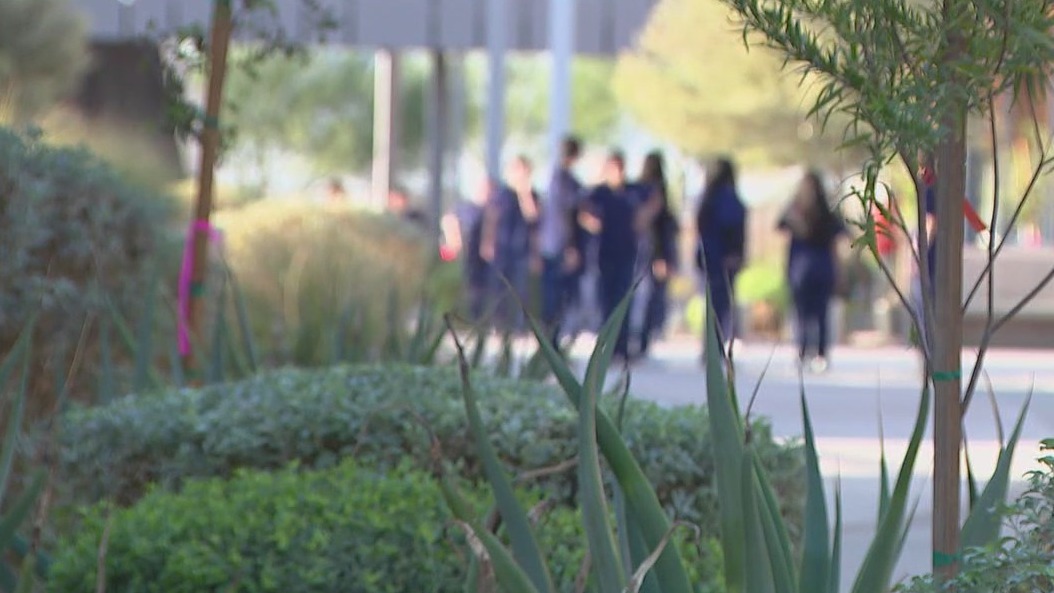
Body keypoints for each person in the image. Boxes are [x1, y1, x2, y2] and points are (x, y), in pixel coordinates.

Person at [580, 150, 651, 362]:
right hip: (606, 252)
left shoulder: (632, 191)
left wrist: (642, 221)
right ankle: (607, 346)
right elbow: (583, 211)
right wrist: (593, 224)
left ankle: (622, 346)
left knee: (624, 298)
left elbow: (654, 199)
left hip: (627, 251)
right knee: (606, 300)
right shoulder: (600, 193)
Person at [777, 170, 846, 373]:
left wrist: (838, 271)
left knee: (821, 313)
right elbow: (780, 226)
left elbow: (834, 242)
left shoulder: (825, 214)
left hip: (819, 268)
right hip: (799, 269)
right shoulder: (794, 210)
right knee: (801, 313)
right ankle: (803, 350)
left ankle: (821, 353)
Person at [695, 157, 747, 355]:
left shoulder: (707, 199)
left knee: (712, 303)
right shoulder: (729, 199)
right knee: (721, 304)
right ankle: (714, 347)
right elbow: (736, 228)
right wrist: (736, 253)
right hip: (724, 259)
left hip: (709, 257)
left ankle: (710, 346)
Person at [481, 156, 540, 333]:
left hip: (521, 248)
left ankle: (519, 326)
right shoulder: (501, 194)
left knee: (520, 289)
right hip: (502, 246)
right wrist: (487, 242)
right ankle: (499, 324)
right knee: (498, 287)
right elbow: (492, 218)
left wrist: (524, 193)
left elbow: (533, 218)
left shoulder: (531, 195)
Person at [633, 151, 679, 359]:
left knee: (646, 298)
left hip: (645, 251)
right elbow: (658, 228)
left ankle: (641, 340)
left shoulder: (642, 190)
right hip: (649, 252)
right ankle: (641, 340)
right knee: (647, 297)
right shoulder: (653, 192)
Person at [539, 136, 584, 340]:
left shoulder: (559, 179)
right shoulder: (563, 181)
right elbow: (565, 213)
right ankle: (551, 341)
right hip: (559, 245)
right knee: (555, 297)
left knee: (556, 296)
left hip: (552, 244)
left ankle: (553, 339)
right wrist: (571, 246)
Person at [442, 178, 495, 323]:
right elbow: (448, 220)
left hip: (483, 259)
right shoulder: (465, 208)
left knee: (480, 289)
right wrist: (454, 241)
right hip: (464, 255)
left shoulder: (491, 210)